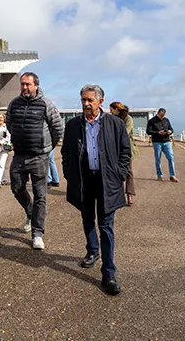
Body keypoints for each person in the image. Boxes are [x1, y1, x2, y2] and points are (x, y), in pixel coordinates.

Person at [61, 84, 131, 296]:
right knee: (87, 218)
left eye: (90, 100)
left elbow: (125, 152)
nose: (86, 104)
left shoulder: (114, 124)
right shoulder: (73, 125)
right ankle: (93, 251)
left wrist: (118, 174)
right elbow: (65, 153)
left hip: (107, 181)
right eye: (83, 100)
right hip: (84, 180)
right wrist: (69, 173)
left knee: (106, 225)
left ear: (100, 101)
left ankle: (108, 273)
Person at [5, 72, 64, 250]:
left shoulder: (45, 104)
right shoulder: (14, 104)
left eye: (28, 84)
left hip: (39, 156)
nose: (24, 88)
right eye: (22, 84)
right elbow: (9, 123)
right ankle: (30, 212)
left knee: (40, 195)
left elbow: (57, 128)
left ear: (36, 85)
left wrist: (47, 147)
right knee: (16, 187)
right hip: (20, 155)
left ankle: (37, 233)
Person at [109, 101, 139, 205]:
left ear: (117, 109)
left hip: (126, 148)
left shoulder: (128, 119)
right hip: (114, 148)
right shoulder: (113, 119)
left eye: (111, 110)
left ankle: (130, 194)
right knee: (115, 171)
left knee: (128, 171)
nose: (110, 112)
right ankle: (117, 194)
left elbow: (126, 132)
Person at [146, 107, 178, 182]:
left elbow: (171, 129)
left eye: (163, 115)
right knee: (158, 159)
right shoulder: (151, 121)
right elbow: (148, 131)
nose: (162, 117)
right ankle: (159, 175)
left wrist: (170, 131)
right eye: (161, 115)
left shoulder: (166, 120)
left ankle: (172, 176)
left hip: (166, 141)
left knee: (171, 157)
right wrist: (158, 132)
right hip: (157, 142)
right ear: (158, 113)